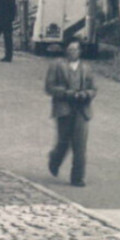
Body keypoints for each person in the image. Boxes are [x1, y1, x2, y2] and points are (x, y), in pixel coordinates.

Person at [45, 40, 95, 187]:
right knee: (63, 142)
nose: (72, 52)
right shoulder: (57, 65)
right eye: (69, 49)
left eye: (75, 49)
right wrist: (67, 93)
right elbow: (49, 87)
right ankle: (55, 159)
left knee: (80, 145)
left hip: (82, 109)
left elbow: (94, 88)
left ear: (80, 51)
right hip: (64, 108)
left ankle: (77, 177)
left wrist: (86, 94)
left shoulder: (86, 68)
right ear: (65, 51)